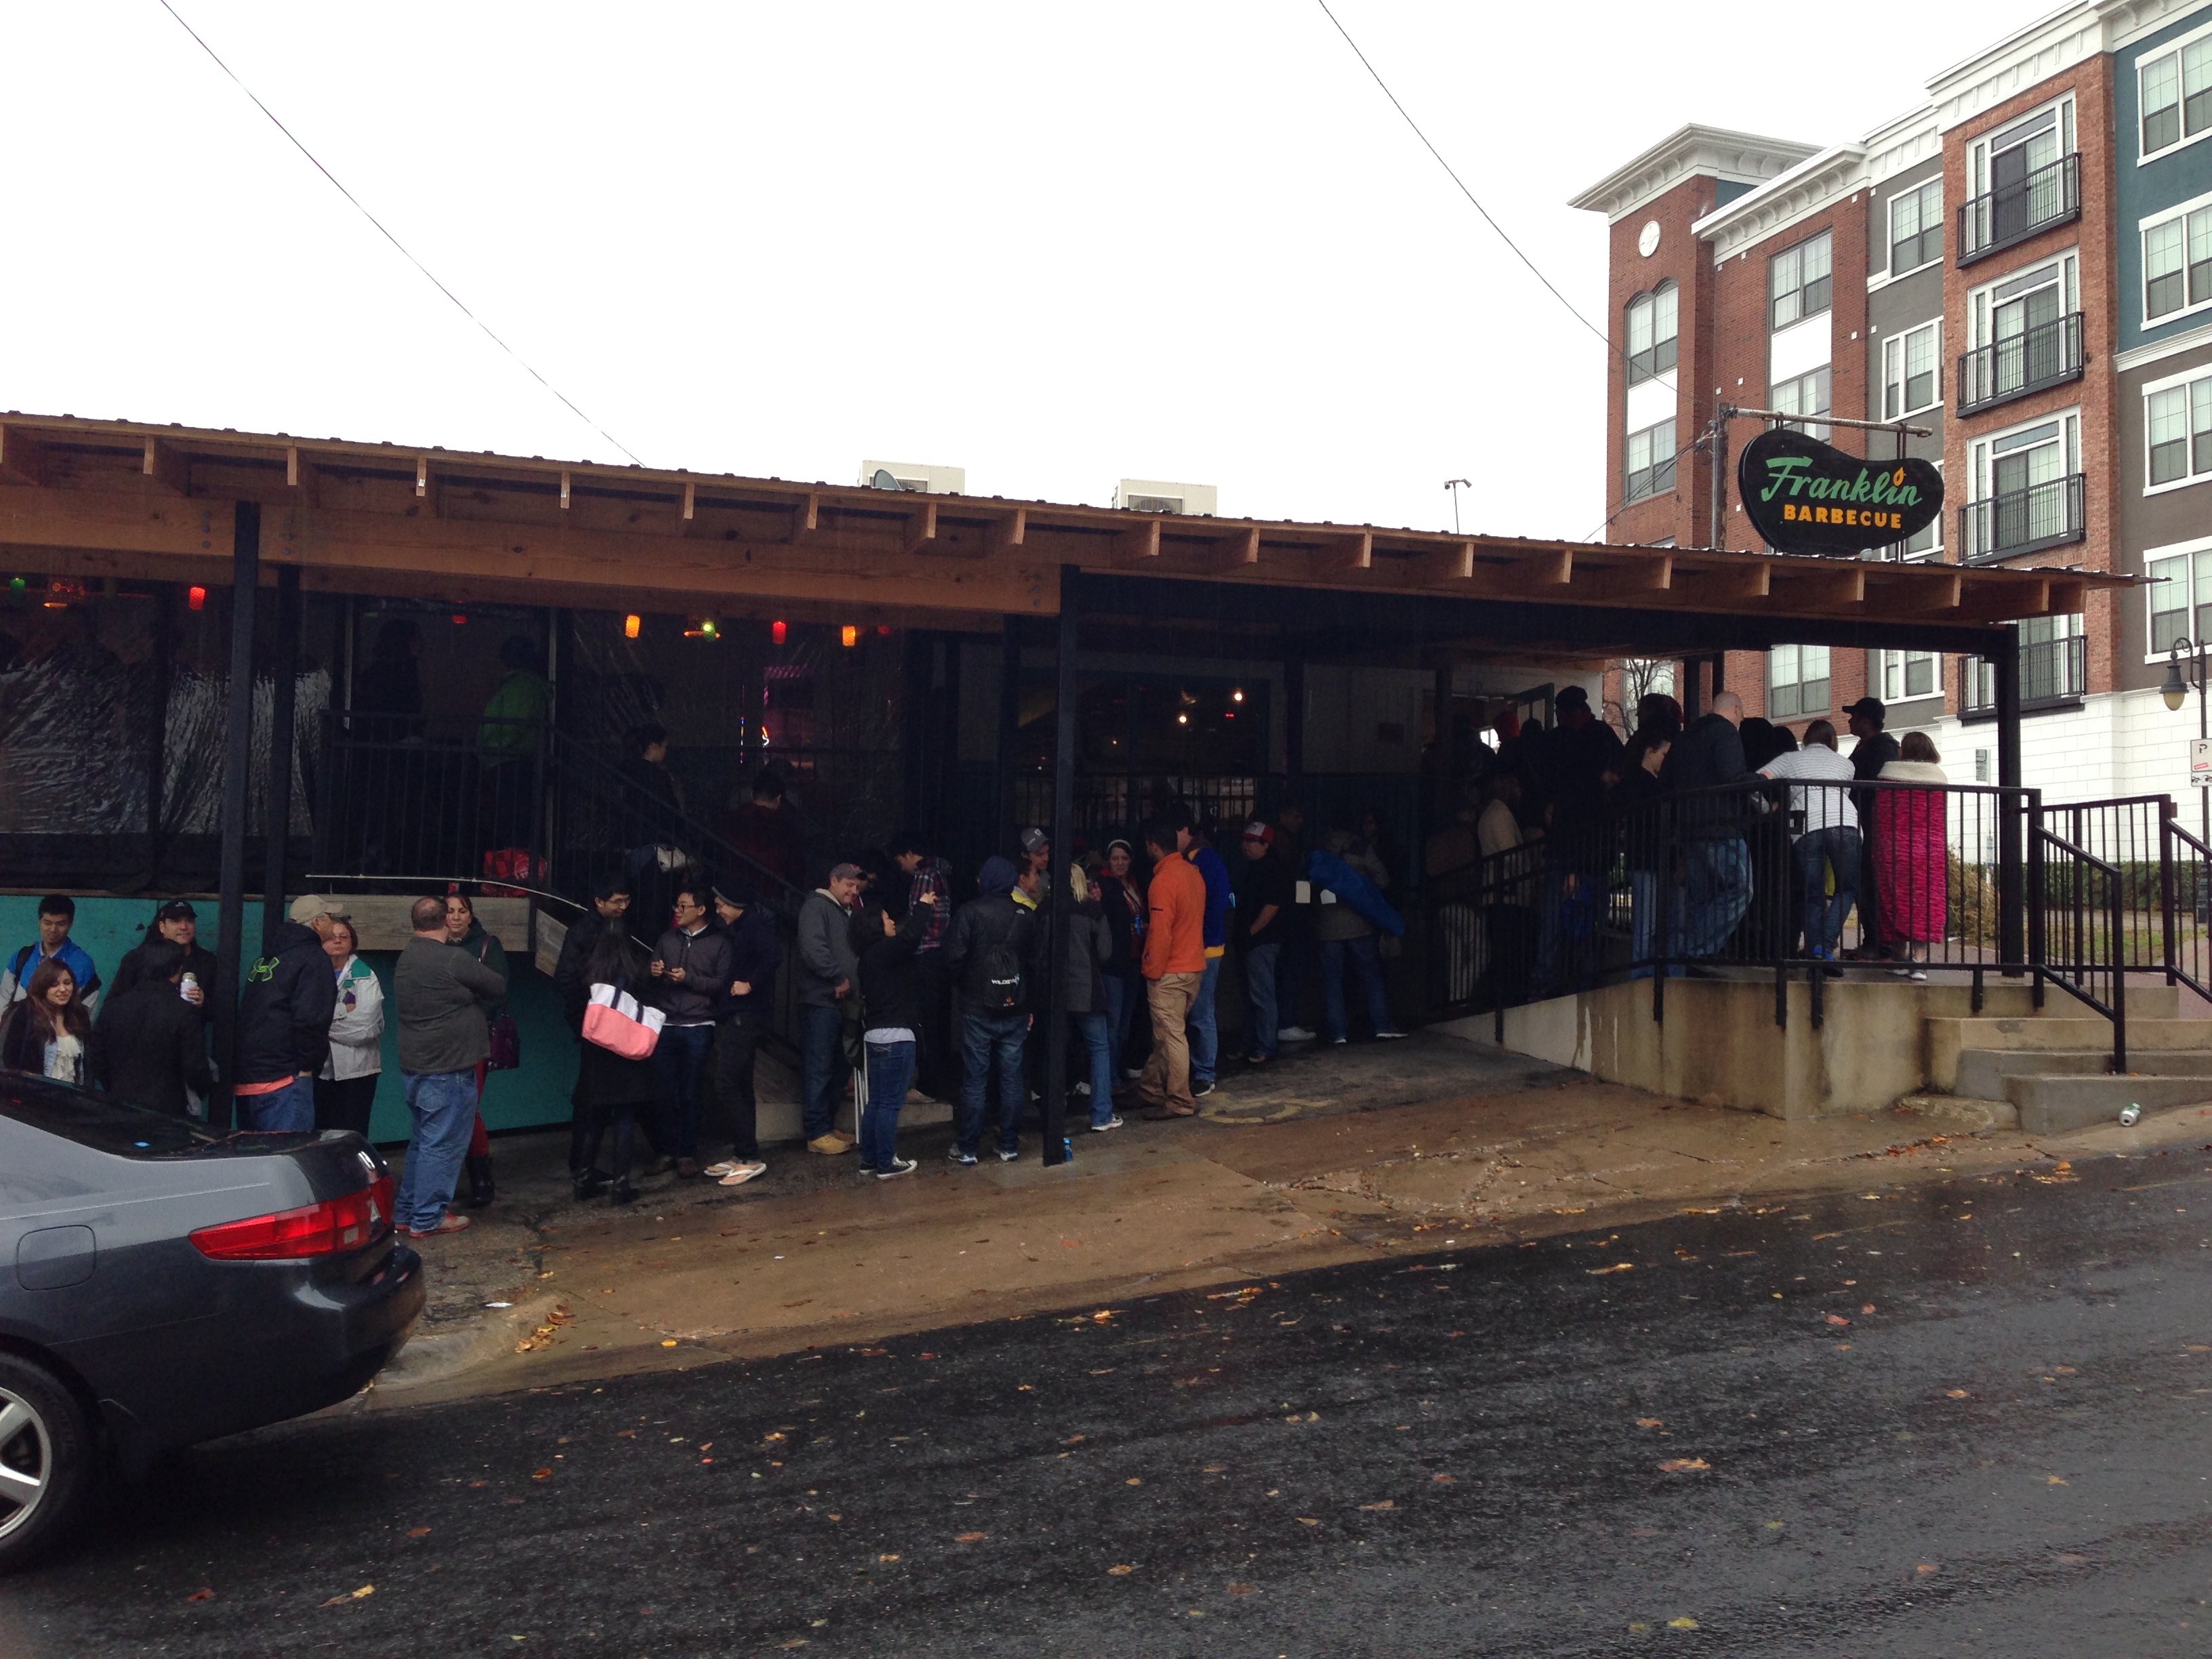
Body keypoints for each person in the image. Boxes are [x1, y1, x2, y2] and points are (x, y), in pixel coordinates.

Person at [394, 895, 506, 1237]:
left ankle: (407, 1212)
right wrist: (470, 996)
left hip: (416, 1066)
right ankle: (427, 1217)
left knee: (422, 1144)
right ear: (445, 920)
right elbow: (497, 986)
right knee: (441, 1146)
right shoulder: (454, 958)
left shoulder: (406, 956)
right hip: (449, 1070)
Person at [943, 855, 1044, 1162]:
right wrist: (1028, 1003)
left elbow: (953, 959)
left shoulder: (969, 913)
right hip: (1015, 1008)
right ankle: (1009, 1144)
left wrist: (964, 987)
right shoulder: (1026, 915)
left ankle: (968, 1147)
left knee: (975, 1078)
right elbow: (1036, 963)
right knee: (1012, 1078)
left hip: (977, 1008)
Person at [563, 902, 658, 1206]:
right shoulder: (637, 971)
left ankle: (582, 1181)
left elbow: (575, 1005)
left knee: (594, 1118)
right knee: (625, 1118)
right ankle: (621, 1185)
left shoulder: (588, 972)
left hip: (596, 1052)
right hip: (626, 1053)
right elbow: (648, 1005)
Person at [1532, 685, 1624, 994]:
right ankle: (1585, 986)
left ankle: (1546, 985)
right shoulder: (1602, 738)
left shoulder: (1559, 745)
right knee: (1589, 926)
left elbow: (1566, 806)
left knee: (1555, 925)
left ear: (1563, 714)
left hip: (1570, 851)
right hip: (1597, 852)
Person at [1660, 690, 1755, 964]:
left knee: (1701, 897)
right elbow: (1733, 776)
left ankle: (1689, 956)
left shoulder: (1685, 737)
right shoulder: (1726, 733)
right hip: (1721, 827)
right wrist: (1762, 780)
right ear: (1736, 709)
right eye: (1742, 714)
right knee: (1741, 888)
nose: (1742, 719)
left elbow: (1665, 781)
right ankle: (1695, 950)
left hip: (1690, 829)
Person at [648, 879, 733, 1177]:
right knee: (664, 1091)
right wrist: (654, 971)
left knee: (691, 1091)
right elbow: (651, 973)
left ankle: (687, 1152)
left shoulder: (719, 943)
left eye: (684, 906)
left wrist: (689, 979)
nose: (678, 911)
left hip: (700, 1024)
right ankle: (666, 1151)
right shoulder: (667, 939)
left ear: (701, 909)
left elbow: (721, 984)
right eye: (677, 905)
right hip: (667, 1022)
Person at [232, 898, 340, 1132]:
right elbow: (311, 1019)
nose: (334, 922)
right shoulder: (313, 958)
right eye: (330, 916)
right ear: (317, 923)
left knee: (255, 1160)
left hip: (248, 1078)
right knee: (289, 1159)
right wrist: (306, 1066)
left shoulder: (266, 959)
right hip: (285, 1080)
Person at [1761, 718, 1860, 964]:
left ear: (1806, 739)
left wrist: (1767, 809)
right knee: (1846, 889)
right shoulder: (1847, 764)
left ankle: (1817, 951)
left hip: (1807, 825)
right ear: (1832, 740)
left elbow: (1756, 780)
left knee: (1812, 894)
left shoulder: (1790, 758)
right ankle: (1824, 948)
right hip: (1845, 822)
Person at [554, 874, 632, 1178]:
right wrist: (587, 1020)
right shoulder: (585, 933)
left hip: (603, 1026)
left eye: (627, 901)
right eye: (617, 901)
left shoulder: (614, 929)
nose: (623, 907)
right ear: (599, 902)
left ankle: (584, 1167)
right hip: (599, 1026)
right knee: (599, 1100)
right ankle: (585, 1167)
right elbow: (567, 979)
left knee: (595, 1098)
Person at [703, 878, 780, 1187]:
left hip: (745, 1015)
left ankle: (749, 1156)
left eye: (721, 904)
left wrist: (750, 984)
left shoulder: (755, 926)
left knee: (725, 1082)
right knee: (741, 1084)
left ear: (735, 903)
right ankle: (743, 1152)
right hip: (739, 1014)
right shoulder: (743, 927)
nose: (718, 910)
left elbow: (774, 956)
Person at [849, 895, 932, 1179]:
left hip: (874, 1036)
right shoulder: (885, 951)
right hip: (897, 1035)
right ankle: (886, 1162)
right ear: (875, 925)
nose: (892, 921)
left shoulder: (867, 958)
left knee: (876, 1101)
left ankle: (869, 1160)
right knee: (890, 1103)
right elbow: (910, 939)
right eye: (886, 917)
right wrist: (923, 906)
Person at [1135, 821, 1207, 1120]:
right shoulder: (1193, 873)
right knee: (1166, 1033)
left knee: (1171, 1036)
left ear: (1153, 844)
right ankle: (1151, 1088)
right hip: (1193, 966)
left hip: (1171, 970)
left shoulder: (1163, 881)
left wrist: (1151, 967)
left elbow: (1162, 932)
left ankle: (1179, 1099)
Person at [89, 938, 209, 1114]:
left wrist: (113, 1086)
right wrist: (201, 1089)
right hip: (168, 1109)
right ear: (178, 970)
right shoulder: (184, 1012)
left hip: (120, 1105)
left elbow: (96, 1056)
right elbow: (195, 1067)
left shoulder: (114, 1007)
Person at [445, 892, 510, 1207]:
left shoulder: (487, 946)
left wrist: (467, 1009)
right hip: (440, 1040)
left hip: (475, 1039)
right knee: (446, 1108)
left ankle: (481, 1174)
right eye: (450, 911)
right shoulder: (434, 947)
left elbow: (498, 992)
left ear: (471, 916)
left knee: (467, 1108)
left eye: (462, 911)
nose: (455, 916)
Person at [796, 861, 864, 1155]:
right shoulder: (816, 907)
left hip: (841, 1003)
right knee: (820, 1068)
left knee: (838, 1067)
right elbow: (813, 948)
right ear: (833, 881)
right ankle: (817, 1132)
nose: (853, 891)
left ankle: (826, 1126)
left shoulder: (842, 911)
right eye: (848, 885)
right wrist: (837, 976)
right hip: (821, 1001)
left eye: (856, 887)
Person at [1314, 821, 1404, 1044]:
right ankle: (1382, 1026)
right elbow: (1383, 879)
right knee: (1372, 977)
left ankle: (1338, 1034)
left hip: (1327, 927)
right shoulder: (1362, 848)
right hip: (1360, 925)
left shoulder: (1318, 849)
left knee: (1332, 981)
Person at [1876, 732, 1950, 981]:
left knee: (1894, 899)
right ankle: (1919, 962)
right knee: (1924, 902)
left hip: (1894, 848)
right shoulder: (1938, 779)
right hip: (1930, 850)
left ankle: (1898, 957)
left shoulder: (1888, 775)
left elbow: (1881, 815)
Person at [888, 832, 955, 1099]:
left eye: (899, 861)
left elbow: (918, 917)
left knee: (925, 1022)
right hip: (941, 953)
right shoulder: (941, 871)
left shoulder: (924, 876)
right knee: (937, 1020)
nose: (900, 867)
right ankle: (937, 1080)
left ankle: (927, 1085)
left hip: (925, 952)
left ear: (908, 855)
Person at [1174, 815, 1232, 1098]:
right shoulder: (1193, 859)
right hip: (1197, 946)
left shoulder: (1205, 861)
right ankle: (1198, 1071)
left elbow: (1216, 905)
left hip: (1206, 947)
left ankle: (1205, 1073)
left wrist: (1195, 933)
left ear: (1186, 831)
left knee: (1201, 1012)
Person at [1061, 864, 1122, 1129]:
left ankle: (1054, 1113)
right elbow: (1106, 952)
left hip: (1056, 995)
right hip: (1088, 992)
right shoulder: (1093, 911)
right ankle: (1101, 1115)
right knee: (1098, 1048)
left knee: (1056, 1049)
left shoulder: (1046, 910)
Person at [1843, 697, 1903, 960]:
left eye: (1854, 717)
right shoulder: (1867, 746)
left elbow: (1877, 782)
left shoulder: (1883, 748)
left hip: (1877, 827)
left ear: (1866, 721)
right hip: (1866, 824)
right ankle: (1875, 942)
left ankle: (1881, 945)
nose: (1850, 721)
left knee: (1872, 882)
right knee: (1864, 881)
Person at [476, 634, 551, 848]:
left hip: (511, 764)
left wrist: (490, 750)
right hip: (507, 762)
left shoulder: (522, 685)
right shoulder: (519, 685)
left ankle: (516, 874)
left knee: (512, 827)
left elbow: (513, 724)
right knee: (509, 827)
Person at [314, 916, 385, 1135]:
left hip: (359, 1071)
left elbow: (366, 1026)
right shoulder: (312, 973)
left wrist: (322, 1025)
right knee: (322, 1134)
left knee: (353, 1134)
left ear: (352, 942)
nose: (338, 941)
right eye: (331, 937)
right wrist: (340, 1017)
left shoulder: (366, 976)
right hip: (321, 1072)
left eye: (344, 937)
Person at [1616, 729, 1674, 978]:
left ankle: (1644, 973)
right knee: (1647, 923)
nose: (1665, 760)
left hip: (1648, 858)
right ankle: (1641, 974)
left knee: (1650, 923)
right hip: (1647, 858)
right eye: (1663, 754)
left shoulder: (1638, 782)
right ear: (1650, 753)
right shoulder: (1641, 783)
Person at [1236, 821, 1294, 1065]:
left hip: (1261, 942)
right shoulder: (1254, 868)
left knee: (1262, 995)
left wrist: (1252, 931)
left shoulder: (1271, 869)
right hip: (1251, 941)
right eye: (1245, 840)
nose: (1246, 846)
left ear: (1266, 845)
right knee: (1253, 995)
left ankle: (1265, 1045)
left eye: (1252, 841)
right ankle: (1251, 1044)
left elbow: (1272, 906)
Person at [1477, 773, 1537, 1003]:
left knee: (1502, 951)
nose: (1520, 791)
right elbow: (1511, 855)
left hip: (1498, 894)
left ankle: (1499, 999)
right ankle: (1506, 1000)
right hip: (1506, 895)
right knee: (1509, 951)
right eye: (1517, 786)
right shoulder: (1501, 814)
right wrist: (1526, 878)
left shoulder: (1489, 814)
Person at [1097, 838, 1148, 1080]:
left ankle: (1116, 1071)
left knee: (1124, 1023)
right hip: (1114, 964)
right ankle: (1111, 1077)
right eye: (1115, 858)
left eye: (1124, 858)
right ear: (1108, 860)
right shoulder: (1103, 885)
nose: (1120, 863)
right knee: (1113, 1025)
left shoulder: (1133, 884)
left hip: (1135, 959)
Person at [0, 959, 97, 1084]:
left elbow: (86, 1064)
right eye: (54, 985)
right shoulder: (25, 1013)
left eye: (67, 983)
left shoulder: (79, 1015)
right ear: (42, 986)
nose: (63, 989)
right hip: (33, 1096)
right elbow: (8, 1057)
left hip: (70, 1098)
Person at [3, 895, 102, 1016]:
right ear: (40, 922)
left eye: (61, 924)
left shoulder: (83, 964)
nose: (53, 929)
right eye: (47, 923)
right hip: (20, 1032)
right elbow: (3, 1000)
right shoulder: (22, 957)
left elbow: (85, 1015)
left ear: (71, 924)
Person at [109, 899, 217, 1009]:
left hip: (189, 1025)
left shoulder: (207, 961)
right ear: (162, 926)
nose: (184, 927)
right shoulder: (136, 959)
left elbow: (223, 1011)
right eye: (176, 921)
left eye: (189, 921)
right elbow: (113, 1005)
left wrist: (204, 1003)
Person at [1270, 802, 1318, 1044]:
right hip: (1290, 915)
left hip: (1284, 915)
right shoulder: (1286, 844)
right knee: (1291, 969)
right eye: (1296, 815)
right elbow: (1294, 882)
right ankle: (1286, 1022)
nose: (1300, 822)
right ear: (1283, 815)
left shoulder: (1282, 841)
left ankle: (1282, 1022)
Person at [720, 766, 806, 890]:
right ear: (779, 799)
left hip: (735, 886)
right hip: (773, 890)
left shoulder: (733, 820)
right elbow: (796, 866)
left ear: (752, 794)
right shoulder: (784, 827)